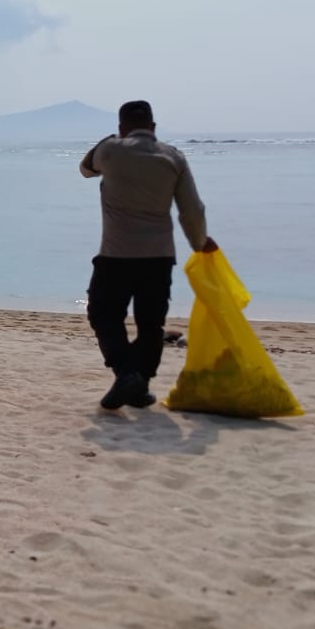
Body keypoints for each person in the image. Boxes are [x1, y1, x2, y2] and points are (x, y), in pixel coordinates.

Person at [80, 99, 217, 411]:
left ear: (120, 127)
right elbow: (192, 210)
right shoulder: (173, 157)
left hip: (116, 254)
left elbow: (86, 169)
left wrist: (108, 141)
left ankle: (127, 373)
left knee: (103, 314)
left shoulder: (110, 150)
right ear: (154, 127)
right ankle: (140, 385)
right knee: (151, 323)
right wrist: (200, 243)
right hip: (159, 256)